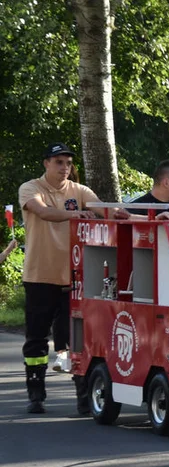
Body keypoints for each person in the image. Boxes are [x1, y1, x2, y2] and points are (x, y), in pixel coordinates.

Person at [18, 142, 129, 415]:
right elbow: (43, 212)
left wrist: (143, 215)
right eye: (59, 162)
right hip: (40, 275)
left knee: (78, 339)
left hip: (74, 279)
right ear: (46, 163)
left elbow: (109, 211)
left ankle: (83, 395)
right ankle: (36, 392)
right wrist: (75, 214)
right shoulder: (31, 188)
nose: (65, 168)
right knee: (36, 338)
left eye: (68, 163)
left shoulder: (79, 191)